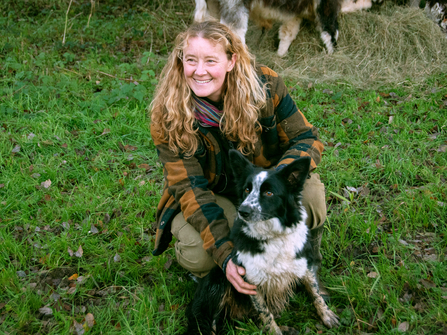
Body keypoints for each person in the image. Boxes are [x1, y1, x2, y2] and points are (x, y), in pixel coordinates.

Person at [150, 20, 327, 296]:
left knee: (312, 198)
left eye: (211, 60)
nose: (199, 71)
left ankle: (304, 260)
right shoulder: (168, 114)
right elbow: (189, 188)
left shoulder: (265, 85)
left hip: (265, 183)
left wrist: (275, 182)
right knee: (201, 253)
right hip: (213, 194)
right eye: (191, 60)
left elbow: (305, 139)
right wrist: (224, 253)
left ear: (231, 61)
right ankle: (227, 278)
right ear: (180, 61)